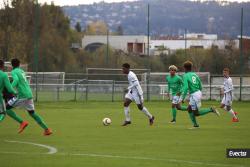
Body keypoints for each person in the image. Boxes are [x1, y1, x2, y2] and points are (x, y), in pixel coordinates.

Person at [5, 58, 52, 135]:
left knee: (6, 108)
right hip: (29, 94)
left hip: (22, 95)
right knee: (32, 113)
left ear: (11, 65)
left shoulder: (13, 71)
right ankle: (47, 129)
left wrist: (10, 87)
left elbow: (16, 80)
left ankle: (22, 122)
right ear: (19, 64)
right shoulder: (22, 71)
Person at [180, 61, 220, 129]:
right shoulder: (195, 75)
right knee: (189, 110)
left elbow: (186, 87)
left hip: (194, 95)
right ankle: (195, 125)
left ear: (185, 68)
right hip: (197, 93)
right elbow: (200, 85)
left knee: (196, 113)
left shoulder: (185, 76)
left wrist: (182, 98)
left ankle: (211, 109)